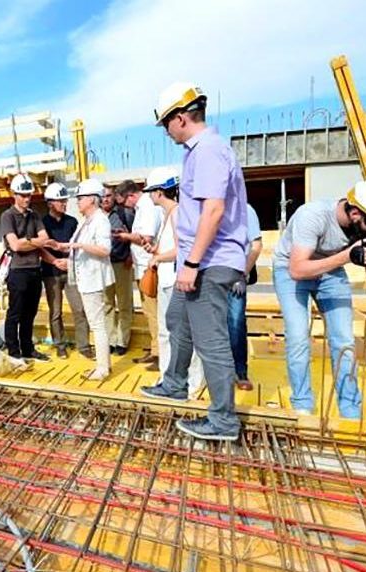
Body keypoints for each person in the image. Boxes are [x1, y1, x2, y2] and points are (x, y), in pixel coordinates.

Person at [139, 82, 249, 442]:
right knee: (176, 319)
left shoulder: (208, 151)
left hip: (210, 261)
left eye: (167, 124)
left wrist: (191, 264)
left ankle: (223, 421)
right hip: (202, 259)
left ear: (181, 118)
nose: (166, 131)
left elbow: (214, 210)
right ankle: (174, 383)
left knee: (211, 340)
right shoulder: (199, 151)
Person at [272, 177, 366, 419]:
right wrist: (348, 256)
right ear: (355, 212)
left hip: (330, 272)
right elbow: (297, 269)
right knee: (299, 337)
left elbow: (364, 255)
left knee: (344, 341)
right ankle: (302, 405)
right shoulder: (312, 215)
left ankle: (350, 410)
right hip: (292, 269)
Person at [143, 167, 204, 397]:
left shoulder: (178, 213)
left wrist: (158, 257)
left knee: (178, 333)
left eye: (151, 191)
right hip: (168, 280)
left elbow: (182, 250)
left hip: (174, 281)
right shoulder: (170, 215)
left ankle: (188, 382)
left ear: (160, 192)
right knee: (168, 333)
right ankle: (169, 379)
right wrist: (156, 250)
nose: (150, 196)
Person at [61, 178, 115, 379]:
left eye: (81, 198)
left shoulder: (100, 220)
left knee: (98, 324)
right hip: (85, 278)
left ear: (92, 199)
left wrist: (79, 246)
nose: (78, 201)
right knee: (97, 323)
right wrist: (64, 247)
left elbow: (104, 249)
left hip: (93, 279)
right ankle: (103, 366)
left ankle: (102, 369)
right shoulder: (86, 222)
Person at [0, 173, 54, 361]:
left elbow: (45, 240)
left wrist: (27, 241)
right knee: (15, 312)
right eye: (23, 195)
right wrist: (34, 242)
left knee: (30, 313)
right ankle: (14, 352)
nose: (27, 198)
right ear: (14, 194)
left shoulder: (34, 215)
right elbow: (15, 245)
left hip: (34, 270)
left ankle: (28, 349)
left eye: (29, 194)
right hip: (17, 271)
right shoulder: (7, 216)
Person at [41, 182, 92, 359]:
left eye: (64, 200)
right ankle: (60, 345)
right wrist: (55, 261)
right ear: (50, 203)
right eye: (60, 201)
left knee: (79, 309)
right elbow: (41, 247)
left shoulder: (72, 222)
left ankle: (84, 346)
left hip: (70, 271)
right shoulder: (42, 223)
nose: (64, 203)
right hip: (50, 273)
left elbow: (77, 245)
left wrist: (68, 261)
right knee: (55, 312)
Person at [113, 179, 161, 364]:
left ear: (131, 195)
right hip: (143, 267)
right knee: (150, 312)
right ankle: (156, 349)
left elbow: (146, 238)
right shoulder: (142, 209)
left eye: (124, 202)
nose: (125, 207)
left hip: (148, 267)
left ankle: (159, 353)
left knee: (153, 312)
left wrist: (124, 236)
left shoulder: (147, 208)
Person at [229, 204, 263, 391]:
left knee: (236, 323)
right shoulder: (208, 206)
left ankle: (240, 370)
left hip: (235, 276)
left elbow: (256, 246)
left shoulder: (245, 209)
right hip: (212, 275)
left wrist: (242, 274)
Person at [103, 186, 134, 355]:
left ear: (114, 197)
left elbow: (136, 235)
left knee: (124, 304)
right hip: (103, 265)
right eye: (103, 196)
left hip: (121, 264)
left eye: (108, 196)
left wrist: (131, 255)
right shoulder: (96, 217)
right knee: (107, 304)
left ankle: (122, 341)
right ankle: (110, 340)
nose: (105, 199)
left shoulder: (124, 214)